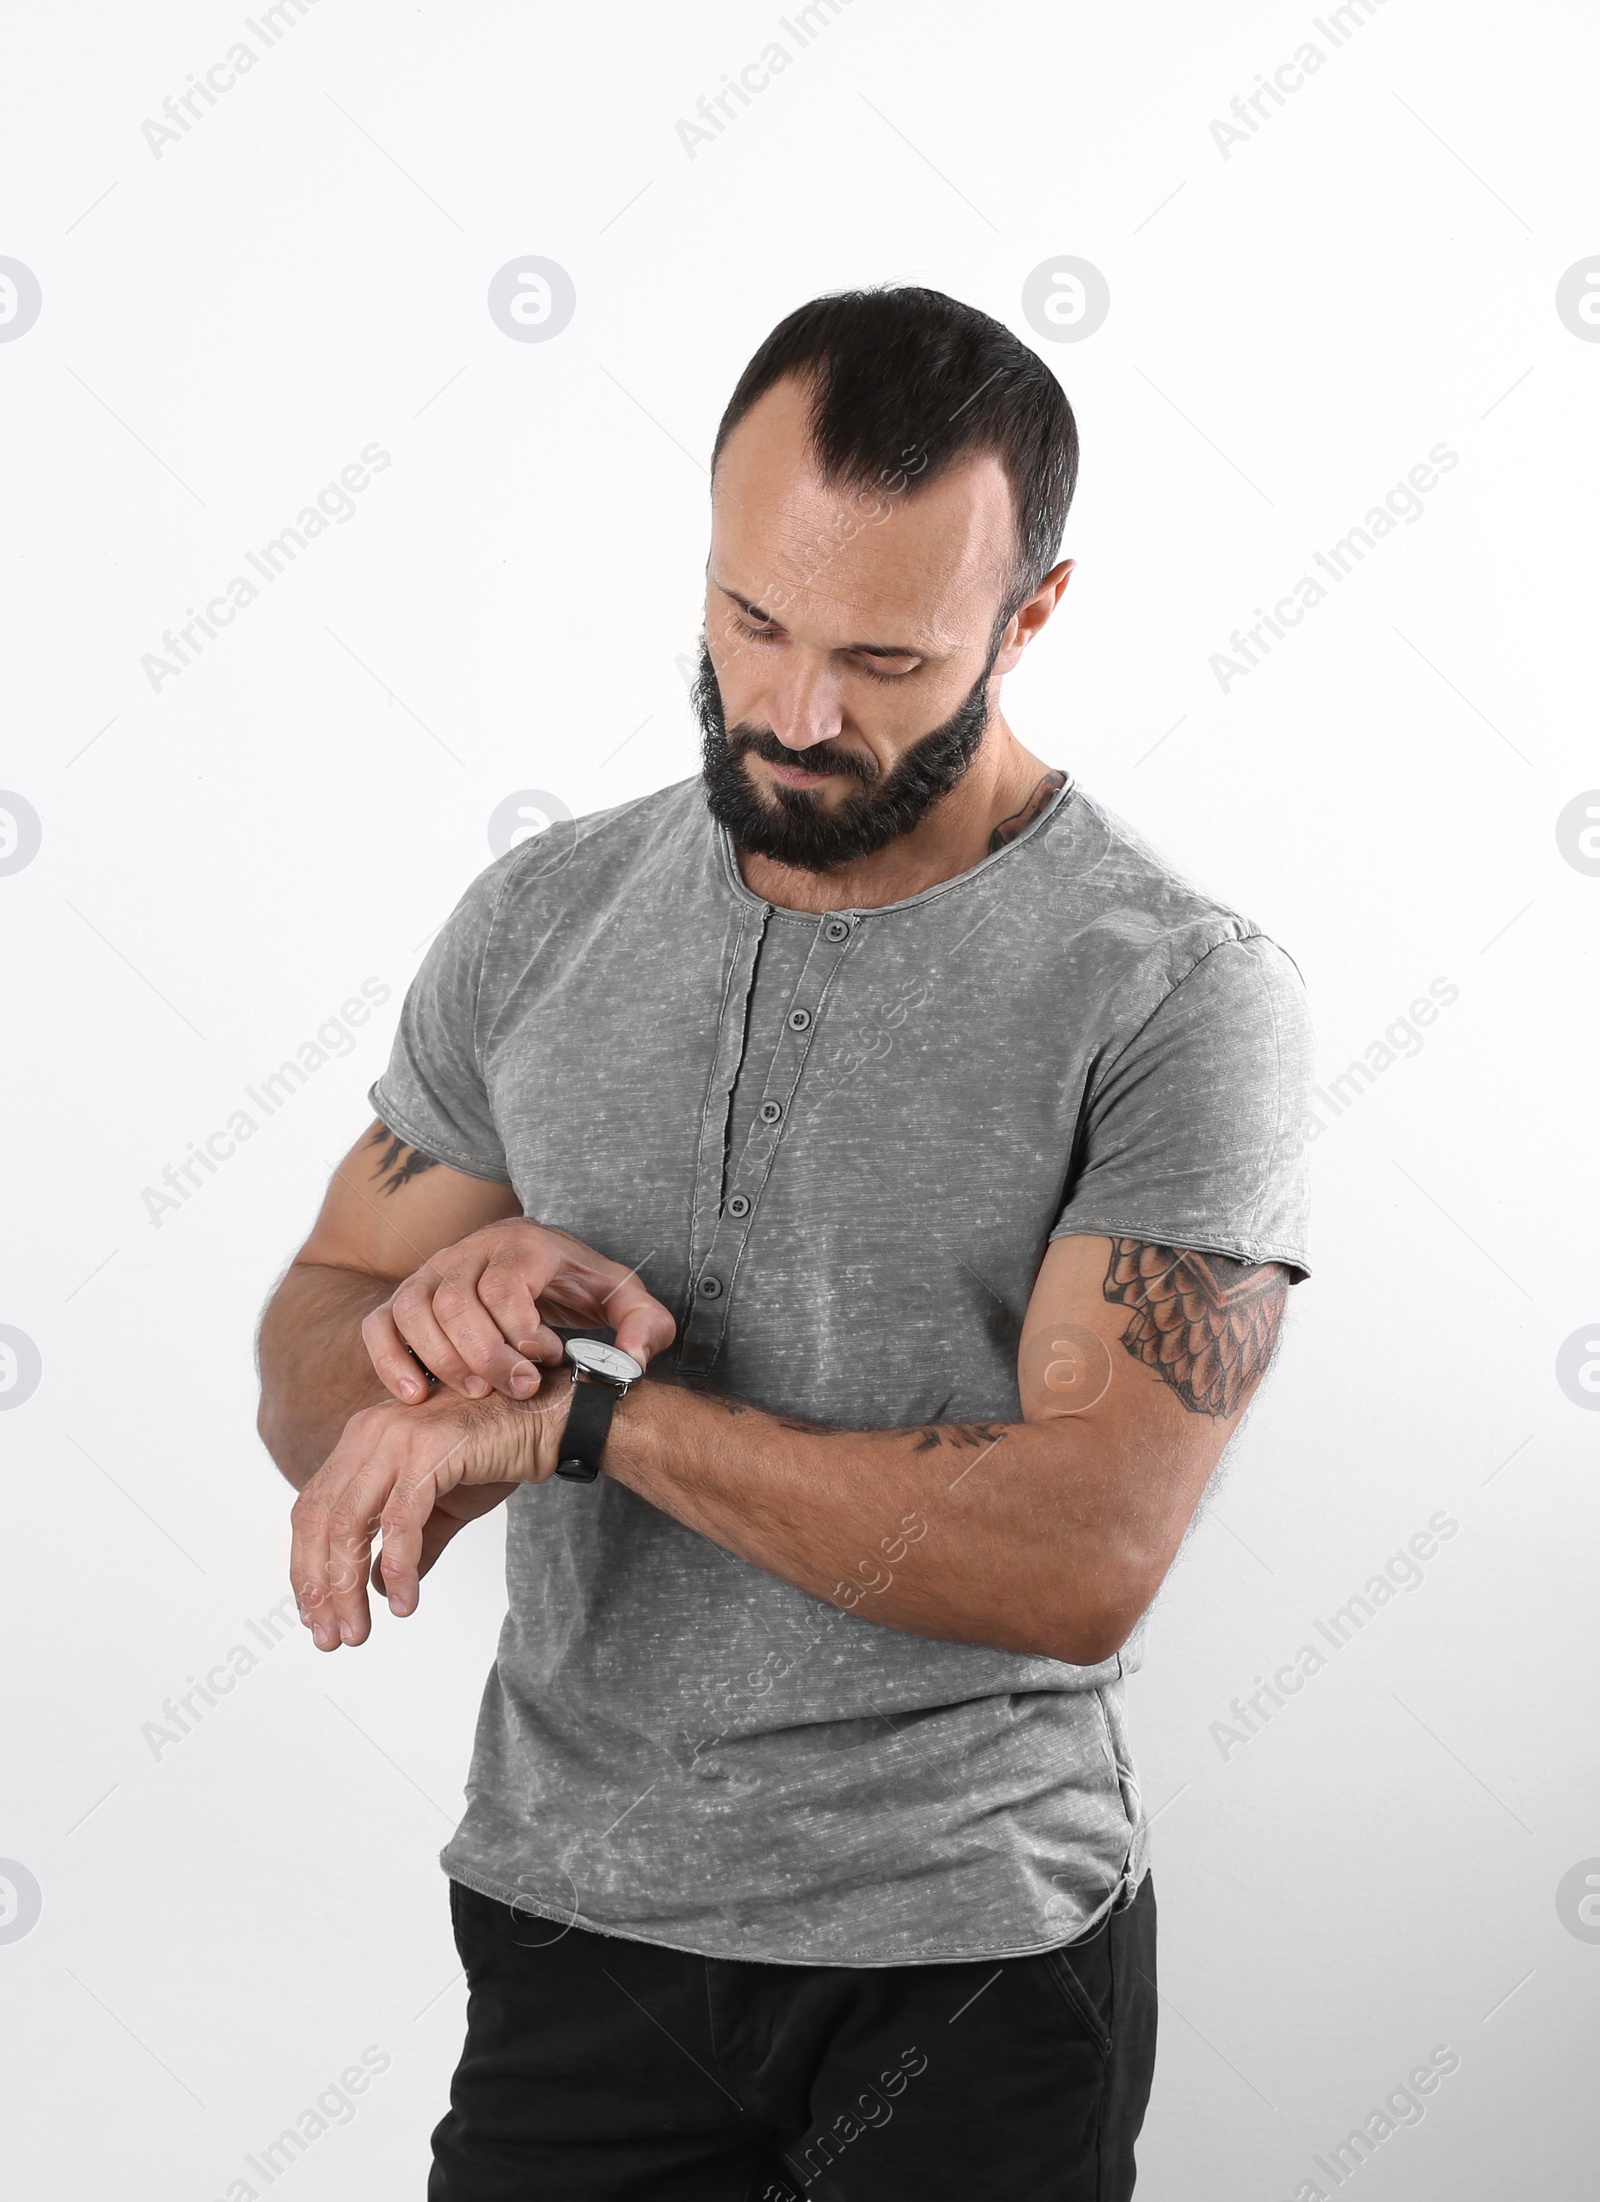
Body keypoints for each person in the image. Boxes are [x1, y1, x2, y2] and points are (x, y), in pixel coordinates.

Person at [257, 285, 1313, 2201]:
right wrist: (430, 1328)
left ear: (1033, 619)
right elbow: (310, 1366)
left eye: (886, 653)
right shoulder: (543, 915)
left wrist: (591, 1424)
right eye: (754, 621)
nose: (799, 712)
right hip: (572, 1935)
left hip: (972, 1964)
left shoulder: (1176, 993)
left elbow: (1087, 1551)